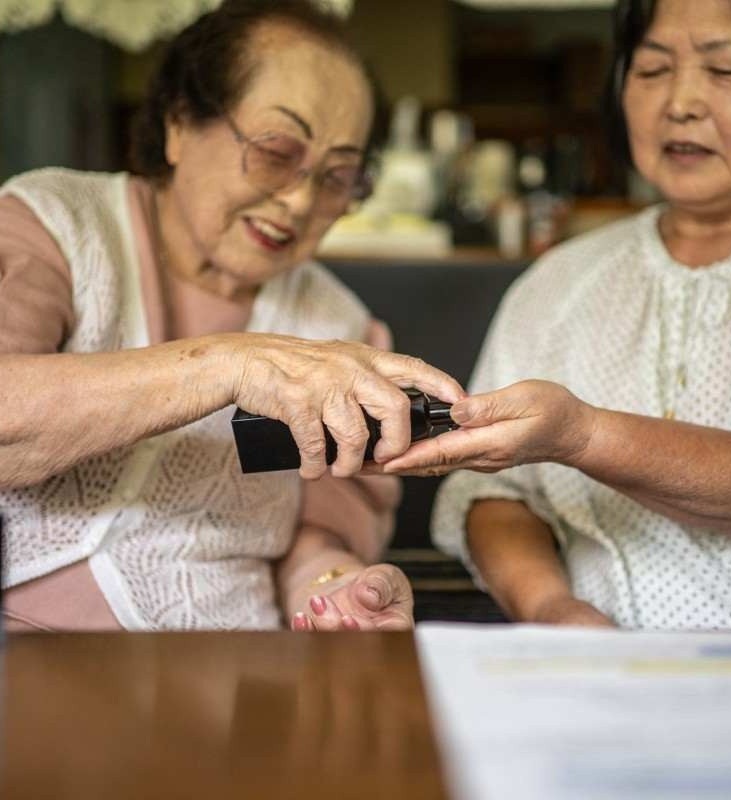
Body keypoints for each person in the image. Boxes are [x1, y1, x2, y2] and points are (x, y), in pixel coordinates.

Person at [0, 0, 463, 633]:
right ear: (179, 124)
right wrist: (227, 364)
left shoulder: (339, 323)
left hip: (231, 674)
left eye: (337, 177)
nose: (300, 200)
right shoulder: (56, 225)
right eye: (276, 151)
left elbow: (316, 537)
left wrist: (338, 588)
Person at [382, 0, 731, 630]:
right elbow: (491, 492)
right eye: (652, 70)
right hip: (589, 678)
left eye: (727, 71)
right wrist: (552, 608)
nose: (680, 102)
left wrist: (582, 435)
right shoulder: (561, 280)